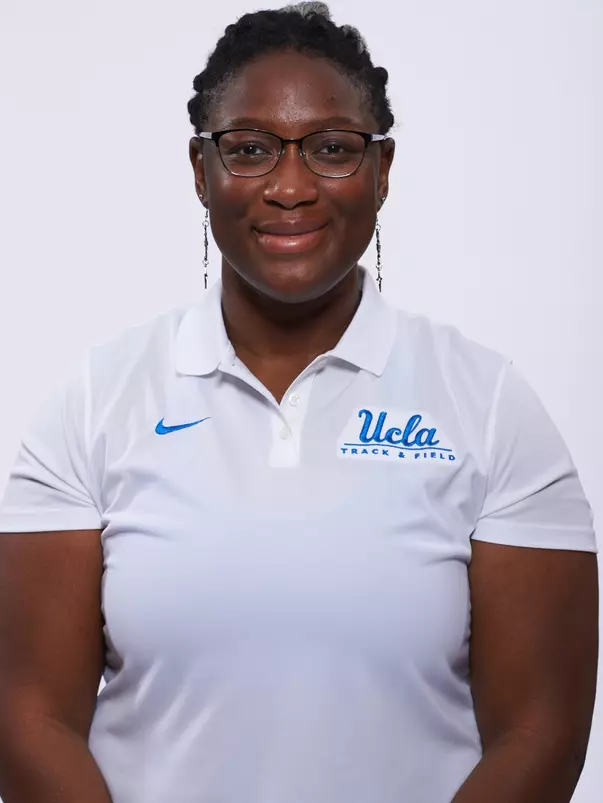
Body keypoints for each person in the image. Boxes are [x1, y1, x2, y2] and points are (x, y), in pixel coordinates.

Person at [0, 3, 598, 802]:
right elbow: (28, 715)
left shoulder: (488, 404)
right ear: (200, 170)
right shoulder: (93, 401)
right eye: (248, 149)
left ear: (381, 171)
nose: (289, 185)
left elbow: (542, 733)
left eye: (331, 149)